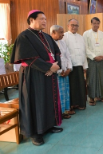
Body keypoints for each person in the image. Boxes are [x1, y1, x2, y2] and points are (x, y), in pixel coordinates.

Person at [10, 10, 62, 146]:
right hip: (33, 75)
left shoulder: (46, 36)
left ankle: (48, 125)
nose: (45, 21)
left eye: (45, 19)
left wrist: (55, 66)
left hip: (48, 74)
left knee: (48, 100)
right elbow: (28, 58)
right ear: (31, 20)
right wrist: (48, 68)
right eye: (41, 19)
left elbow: (57, 52)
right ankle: (35, 133)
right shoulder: (24, 37)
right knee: (36, 102)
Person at [63, 19, 88, 111]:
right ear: (68, 25)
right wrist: (67, 67)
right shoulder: (64, 36)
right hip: (70, 66)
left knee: (80, 86)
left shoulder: (81, 37)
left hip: (79, 64)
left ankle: (80, 104)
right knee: (71, 86)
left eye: (76, 25)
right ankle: (72, 105)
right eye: (72, 25)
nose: (74, 27)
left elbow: (83, 52)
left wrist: (85, 66)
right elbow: (64, 53)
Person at [50, 25, 75, 119]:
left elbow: (68, 56)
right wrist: (60, 71)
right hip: (56, 74)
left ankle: (65, 110)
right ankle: (58, 112)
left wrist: (69, 68)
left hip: (65, 72)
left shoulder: (63, 42)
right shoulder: (49, 44)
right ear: (53, 33)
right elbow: (51, 59)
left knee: (65, 92)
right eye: (60, 32)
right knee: (58, 93)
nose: (63, 34)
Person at [83, 17, 103, 106]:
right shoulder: (86, 34)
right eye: (94, 23)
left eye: (98, 23)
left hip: (101, 59)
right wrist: (93, 57)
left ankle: (100, 95)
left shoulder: (102, 34)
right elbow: (86, 47)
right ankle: (92, 97)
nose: (96, 25)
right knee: (91, 78)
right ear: (91, 24)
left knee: (101, 77)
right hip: (91, 59)